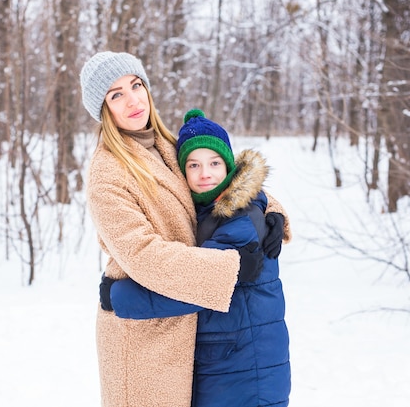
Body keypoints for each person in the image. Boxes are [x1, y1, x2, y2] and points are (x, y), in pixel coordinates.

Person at [79, 51, 291, 407]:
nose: (133, 100)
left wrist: (272, 213)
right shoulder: (107, 174)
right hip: (143, 342)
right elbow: (143, 255)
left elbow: (219, 183)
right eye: (116, 94)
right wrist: (230, 267)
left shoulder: (168, 146)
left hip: (190, 328)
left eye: (136, 85)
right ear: (104, 109)